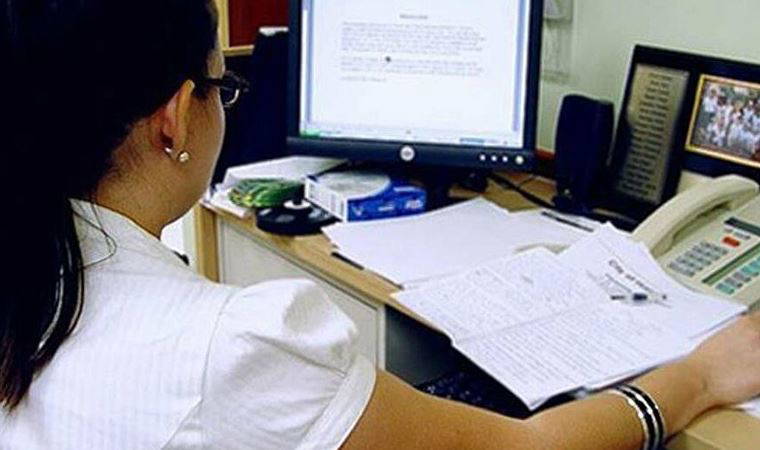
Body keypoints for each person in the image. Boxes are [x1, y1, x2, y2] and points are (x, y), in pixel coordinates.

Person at [1, 1, 760, 449]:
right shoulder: (227, 345)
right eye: (222, 88)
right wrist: (697, 377)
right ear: (174, 119)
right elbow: (527, 447)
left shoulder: (32, 272)